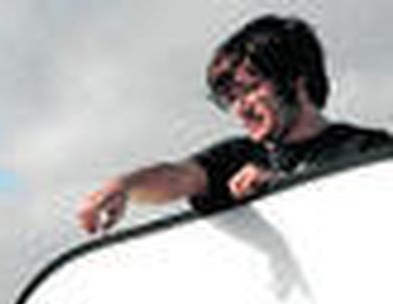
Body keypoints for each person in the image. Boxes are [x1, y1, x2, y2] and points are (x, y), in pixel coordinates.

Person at [78, 15, 392, 235]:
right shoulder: (237, 157)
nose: (241, 108)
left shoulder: (371, 153)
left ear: (298, 82)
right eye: (231, 98)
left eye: (251, 89)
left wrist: (282, 189)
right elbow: (178, 177)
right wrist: (125, 187)